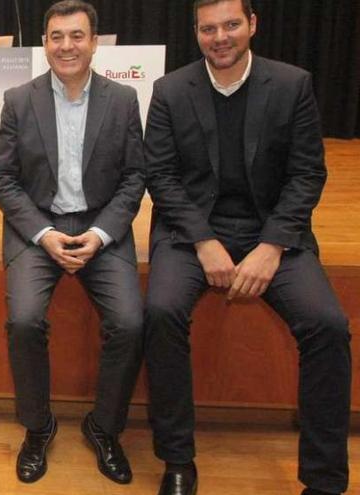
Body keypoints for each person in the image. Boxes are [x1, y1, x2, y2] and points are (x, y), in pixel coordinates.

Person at [143, 1, 351, 494]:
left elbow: (307, 174)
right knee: (160, 311)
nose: (221, 37)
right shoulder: (170, 91)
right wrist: (204, 241)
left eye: (231, 24)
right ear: (196, 32)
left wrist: (272, 246)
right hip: (191, 231)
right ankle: (177, 460)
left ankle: (323, 480)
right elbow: (162, 177)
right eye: (209, 28)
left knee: (328, 325)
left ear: (252, 25)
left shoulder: (292, 84)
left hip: (272, 232)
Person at [0, 0, 145, 485]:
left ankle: (104, 427)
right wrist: (44, 233)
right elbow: (3, 178)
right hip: (38, 226)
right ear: (45, 43)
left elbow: (135, 177)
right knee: (24, 320)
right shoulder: (19, 99)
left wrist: (99, 235)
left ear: (95, 43)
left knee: (131, 322)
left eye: (77, 36)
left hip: (101, 227)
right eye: (57, 37)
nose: (66, 46)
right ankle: (38, 426)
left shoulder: (121, 101)